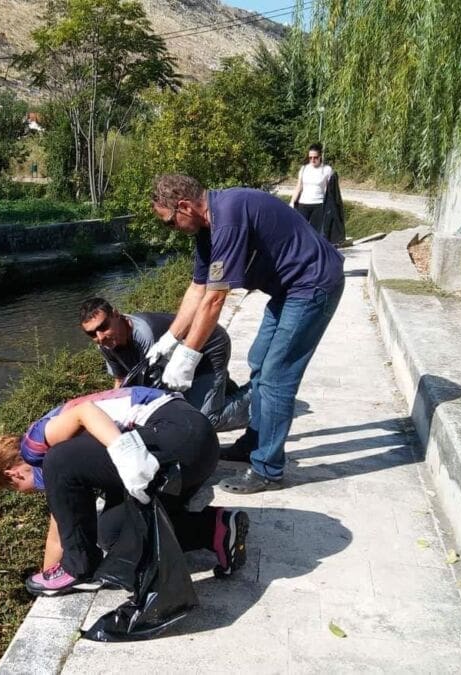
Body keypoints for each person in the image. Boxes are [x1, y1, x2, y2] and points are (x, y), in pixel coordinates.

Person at [146, 174, 345, 494]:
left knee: (277, 376)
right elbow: (198, 289)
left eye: (170, 222)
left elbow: (215, 298)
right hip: (288, 290)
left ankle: (268, 469)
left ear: (184, 206)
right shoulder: (208, 230)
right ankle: (254, 441)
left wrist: (187, 357)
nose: (171, 229)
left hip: (313, 285)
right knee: (259, 362)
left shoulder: (228, 219)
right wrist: (169, 340)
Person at [0, 386, 249, 596]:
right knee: (113, 534)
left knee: (58, 460)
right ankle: (214, 528)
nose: (29, 492)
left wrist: (126, 452)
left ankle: (79, 569)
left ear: (13, 474)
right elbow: (61, 531)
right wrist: (48, 574)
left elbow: (85, 411)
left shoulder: (36, 441)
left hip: (178, 434)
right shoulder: (74, 464)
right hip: (193, 453)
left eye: (18, 489)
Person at [78, 297, 250, 431]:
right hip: (178, 362)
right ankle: (233, 394)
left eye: (104, 326)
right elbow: (121, 380)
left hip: (208, 347)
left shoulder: (145, 335)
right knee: (209, 399)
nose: (100, 337)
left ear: (116, 314)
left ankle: (261, 396)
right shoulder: (106, 344)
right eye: (92, 334)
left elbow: (158, 391)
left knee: (204, 419)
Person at [290, 143, 335, 241]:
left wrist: (330, 205)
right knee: (300, 229)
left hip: (318, 204)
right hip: (303, 203)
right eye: (310, 158)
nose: (312, 160)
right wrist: (292, 202)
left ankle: (315, 248)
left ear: (320, 157)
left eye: (315, 157)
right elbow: (299, 186)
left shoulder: (327, 170)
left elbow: (330, 190)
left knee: (315, 232)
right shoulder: (304, 169)